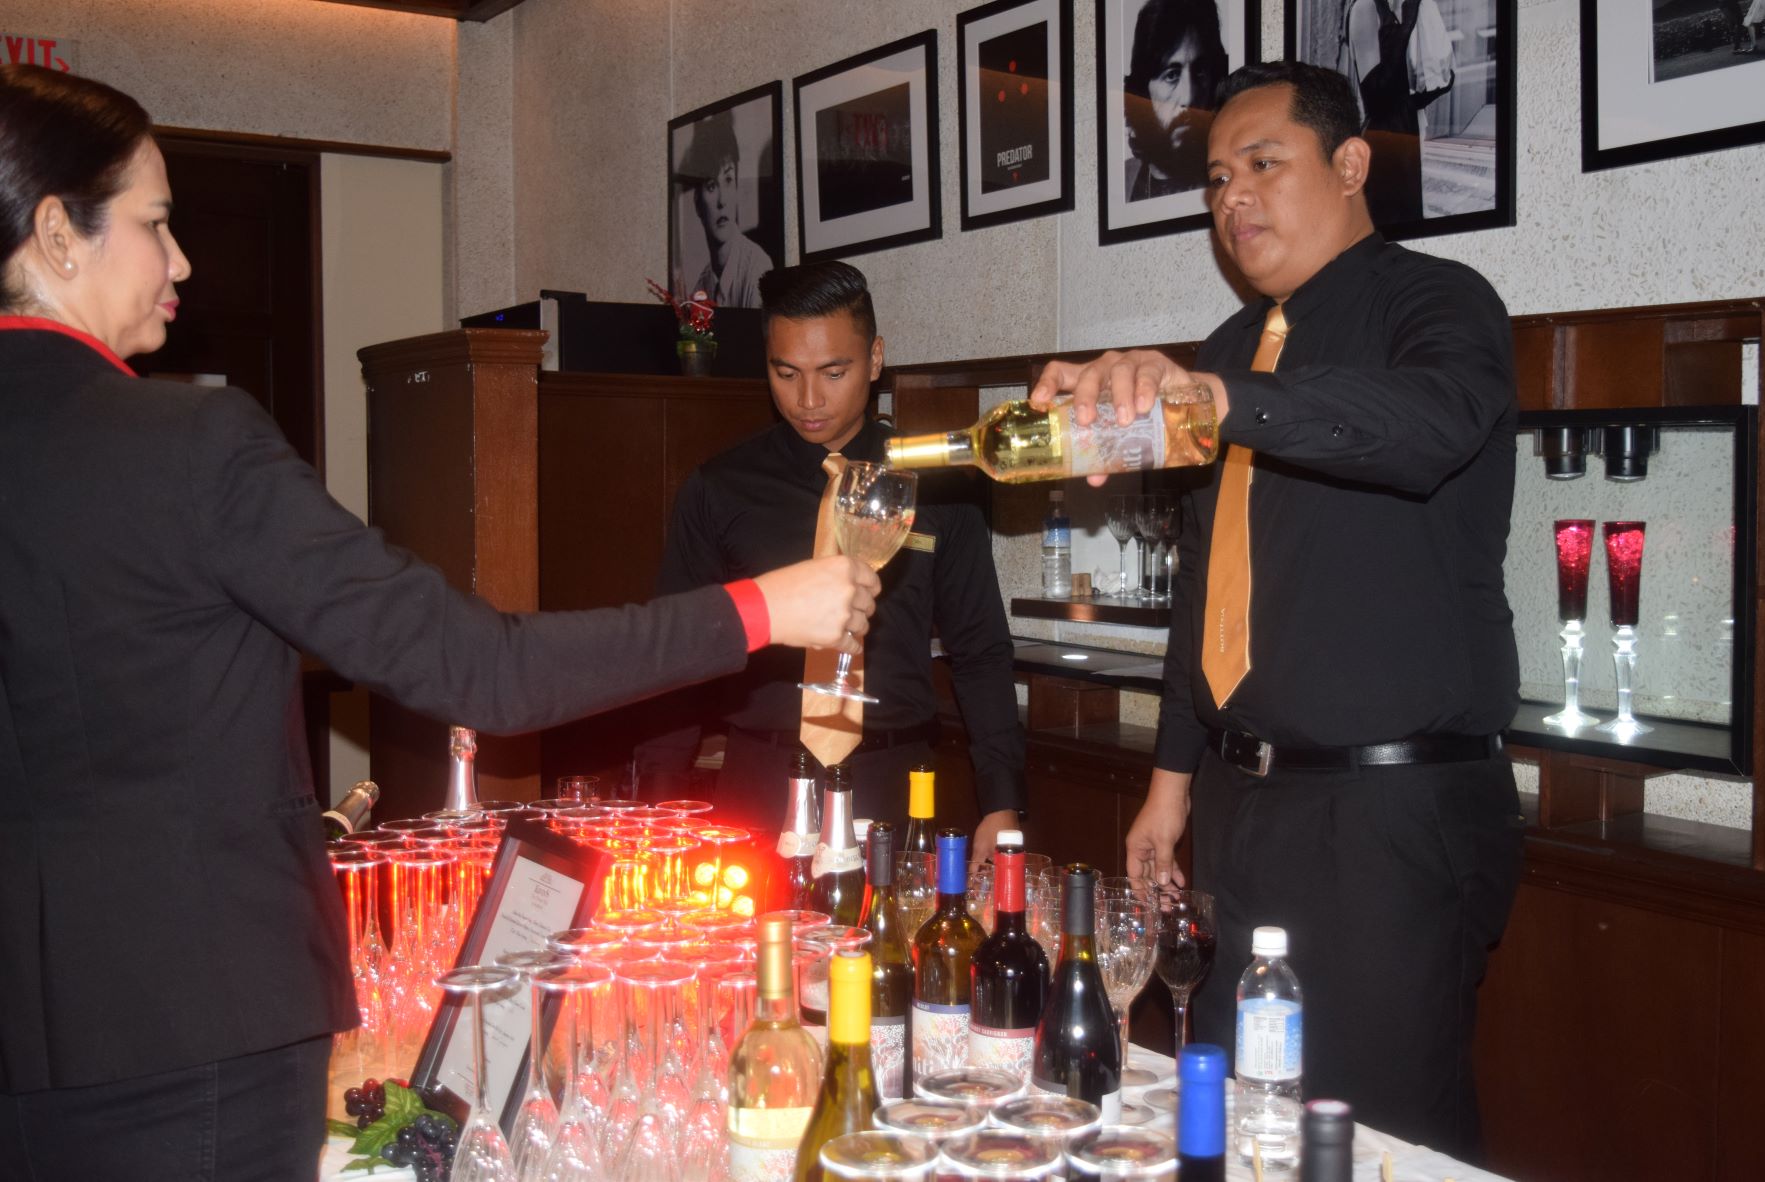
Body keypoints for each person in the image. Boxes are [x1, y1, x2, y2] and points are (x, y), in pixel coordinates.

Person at [0, 65, 878, 1182]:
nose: (182, 263)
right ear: (57, 236)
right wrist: (766, 604)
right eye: (157, 224)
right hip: (197, 1027)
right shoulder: (189, 446)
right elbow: (486, 670)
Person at [1028, 62, 1522, 1160]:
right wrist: (1168, 791)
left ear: (1349, 166)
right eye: (1214, 180)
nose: (1232, 199)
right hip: (1241, 807)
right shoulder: (1224, 349)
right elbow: (1205, 587)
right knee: (1245, 1115)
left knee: (1380, 1133)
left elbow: (1427, 425)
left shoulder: (1436, 302)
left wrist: (1220, 400)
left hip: (1392, 808)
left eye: (1263, 165)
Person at [638, 261, 1025, 857]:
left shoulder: (938, 486)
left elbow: (980, 652)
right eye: (785, 372)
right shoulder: (720, 488)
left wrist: (1002, 802)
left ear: (874, 360)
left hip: (895, 782)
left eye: (833, 372)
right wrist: (657, 807)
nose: (808, 399)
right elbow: (678, 654)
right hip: (758, 782)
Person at [1340, 0, 1453, 227]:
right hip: (1382, 146)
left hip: (1404, 136)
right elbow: (1376, 96)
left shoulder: (1396, 7)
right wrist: (1405, 30)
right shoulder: (1365, 8)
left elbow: (1408, 93)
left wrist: (1438, 78)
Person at [1124, 0, 1230, 200]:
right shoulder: (1123, 182)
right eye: (1171, 75)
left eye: (1200, 72)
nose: (1188, 96)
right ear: (1142, 92)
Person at [676, 107, 774, 308]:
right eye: (711, 186)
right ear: (697, 203)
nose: (722, 201)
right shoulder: (701, 288)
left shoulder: (757, 268)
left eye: (729, 179)